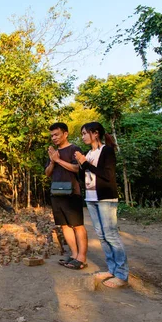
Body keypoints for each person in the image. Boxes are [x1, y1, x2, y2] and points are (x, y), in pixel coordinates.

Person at [74, 122, 129, 288]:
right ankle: (111, 269)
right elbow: (85, 175)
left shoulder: (107, 151)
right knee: (102, 235)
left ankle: (121, 274)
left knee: (111, 235)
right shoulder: (88, 153)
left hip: (106, 198)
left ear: (95, 133)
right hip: (91, 198)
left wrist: (85, 163)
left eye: (85, 133)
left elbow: (107, 175)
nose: (82, 136)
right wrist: (81, 164)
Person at [45, 122, 88, 270]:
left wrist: (58, 160)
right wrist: (52, 161)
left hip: (72, 192)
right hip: (56, 192)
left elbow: (77, 168)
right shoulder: (53, 153)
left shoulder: (74, 149)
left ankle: (82, 258)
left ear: (65, 134)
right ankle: (74, 255)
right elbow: (47, 173)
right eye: (52, 136)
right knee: (64, 225)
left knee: (77, 225)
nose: (54, 138)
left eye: (56, 134)